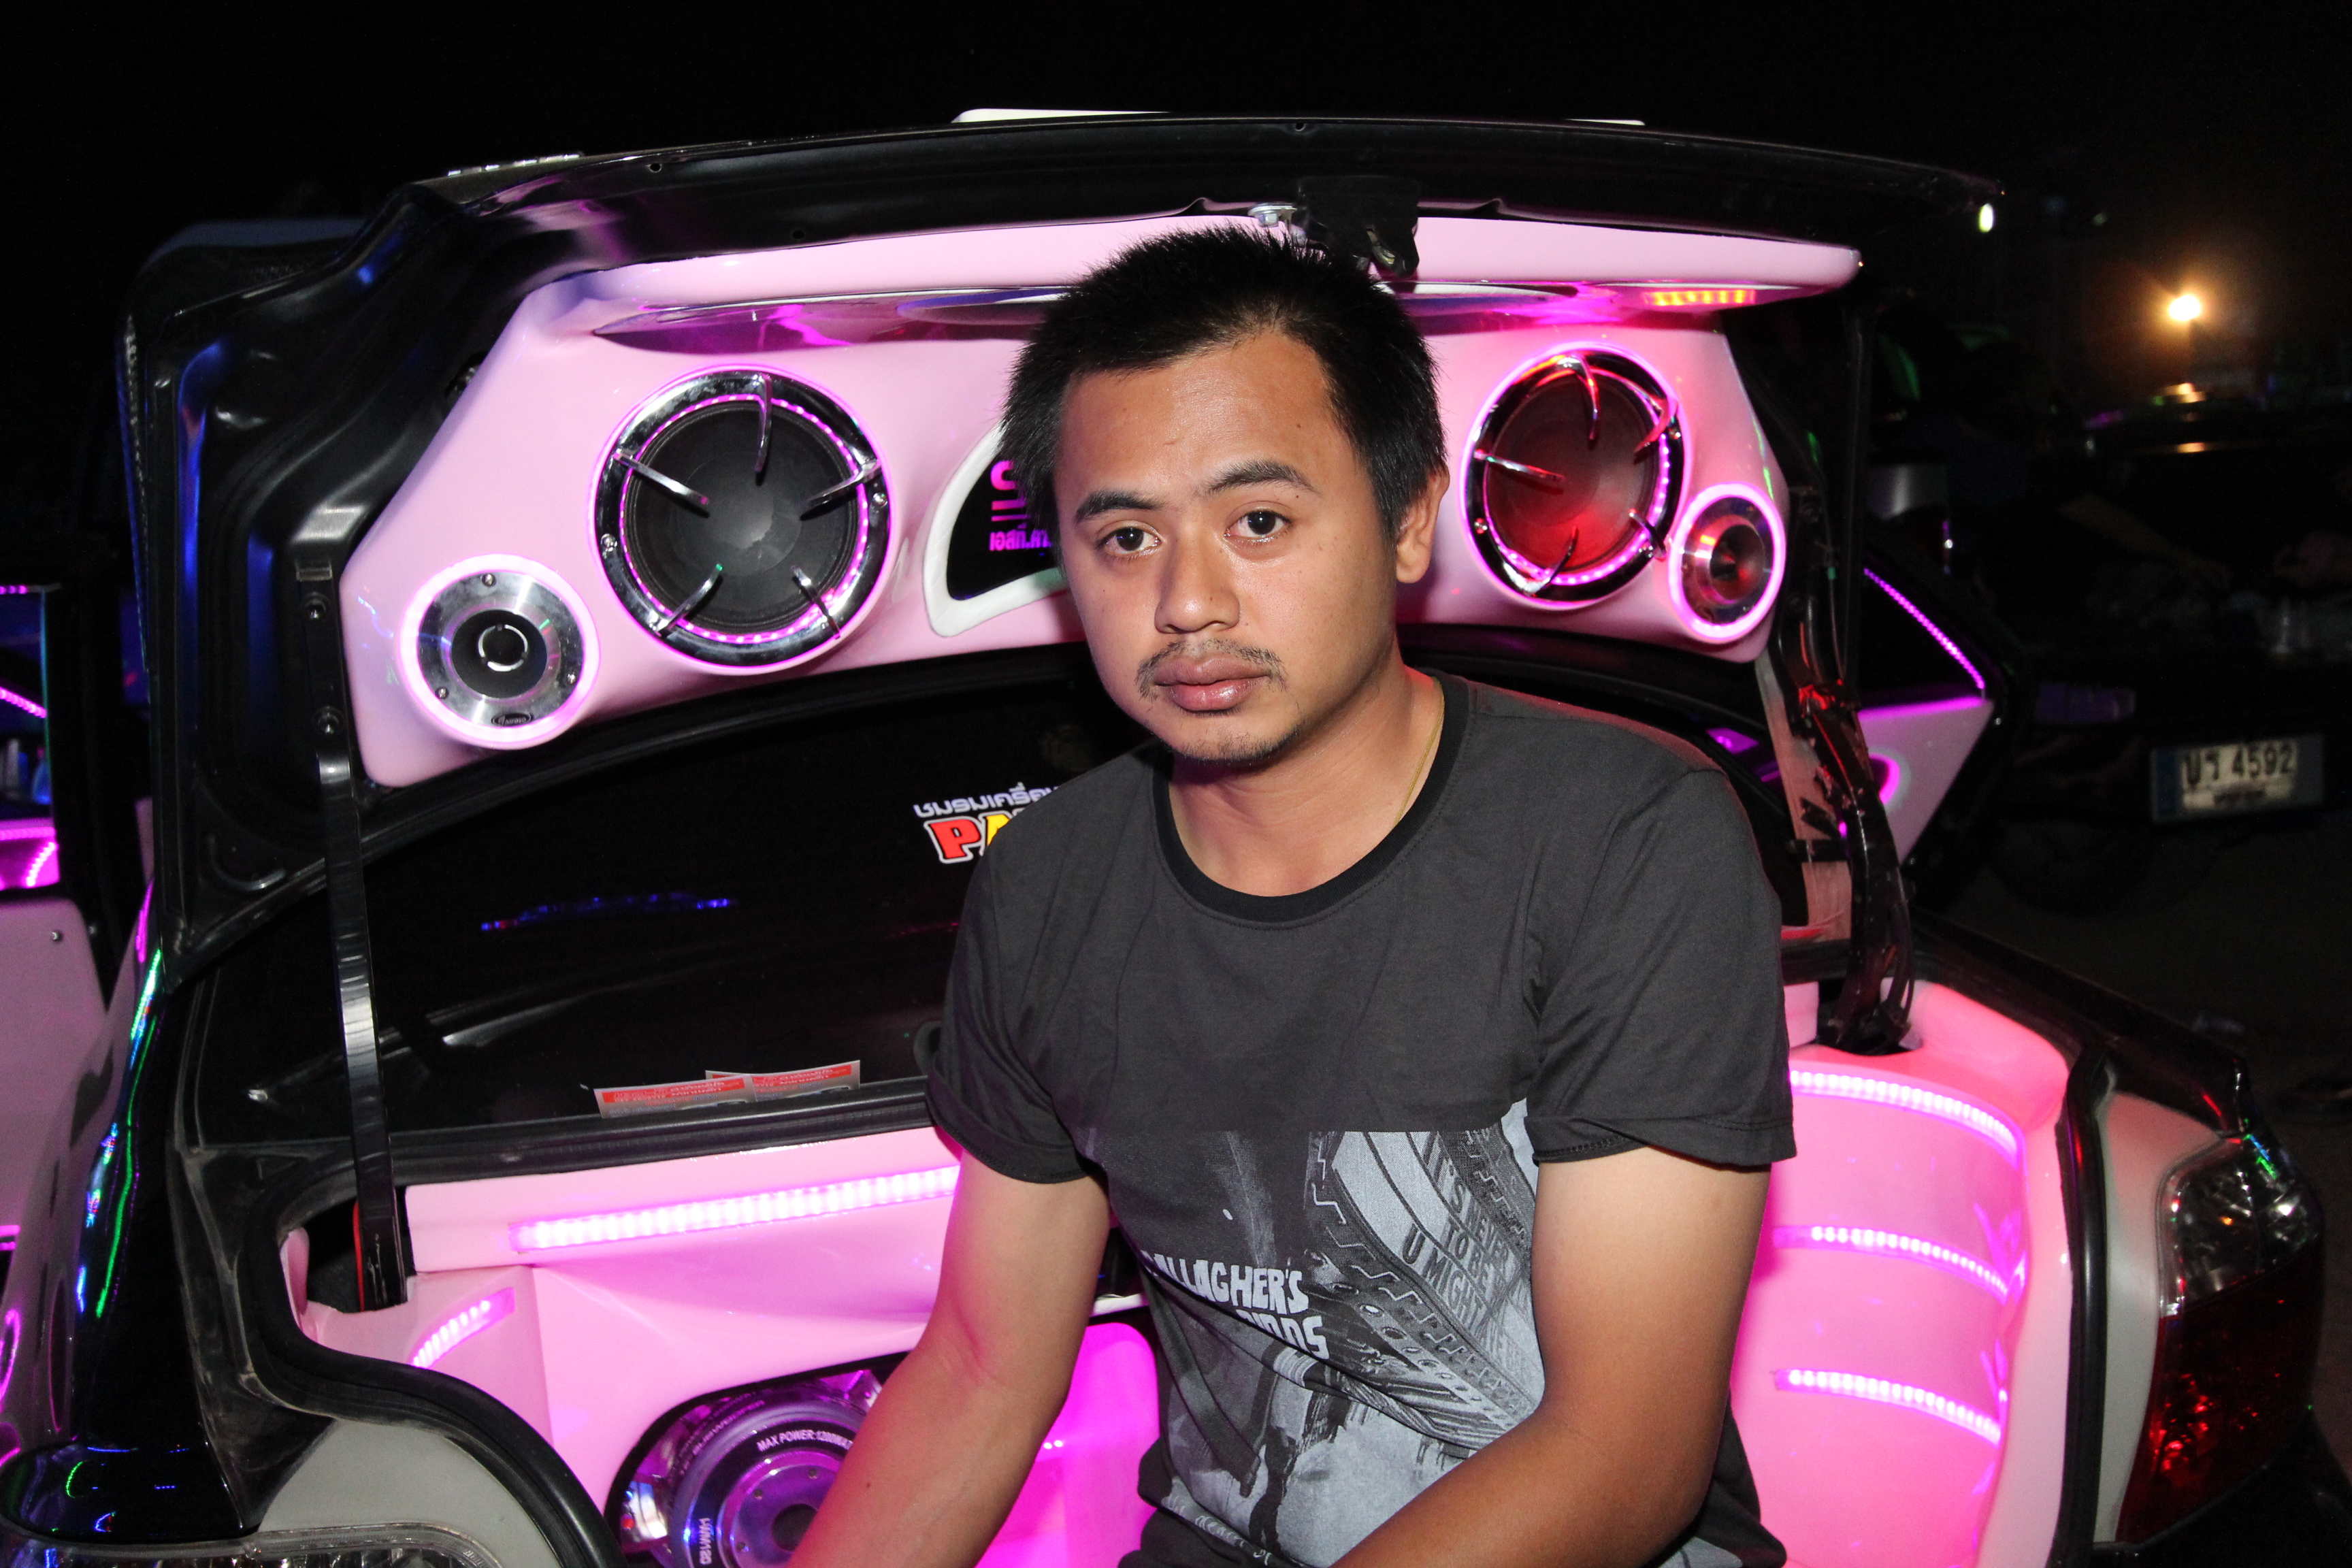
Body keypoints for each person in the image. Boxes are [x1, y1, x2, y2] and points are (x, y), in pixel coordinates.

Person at [792, 229, 1794, 1568]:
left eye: (1258, 522)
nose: (1186, 603)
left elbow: (1622, 1450)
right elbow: (981, 1366)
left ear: (1408, 518)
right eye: (1126, 537)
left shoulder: (1620, 836)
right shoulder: (1047, 885)